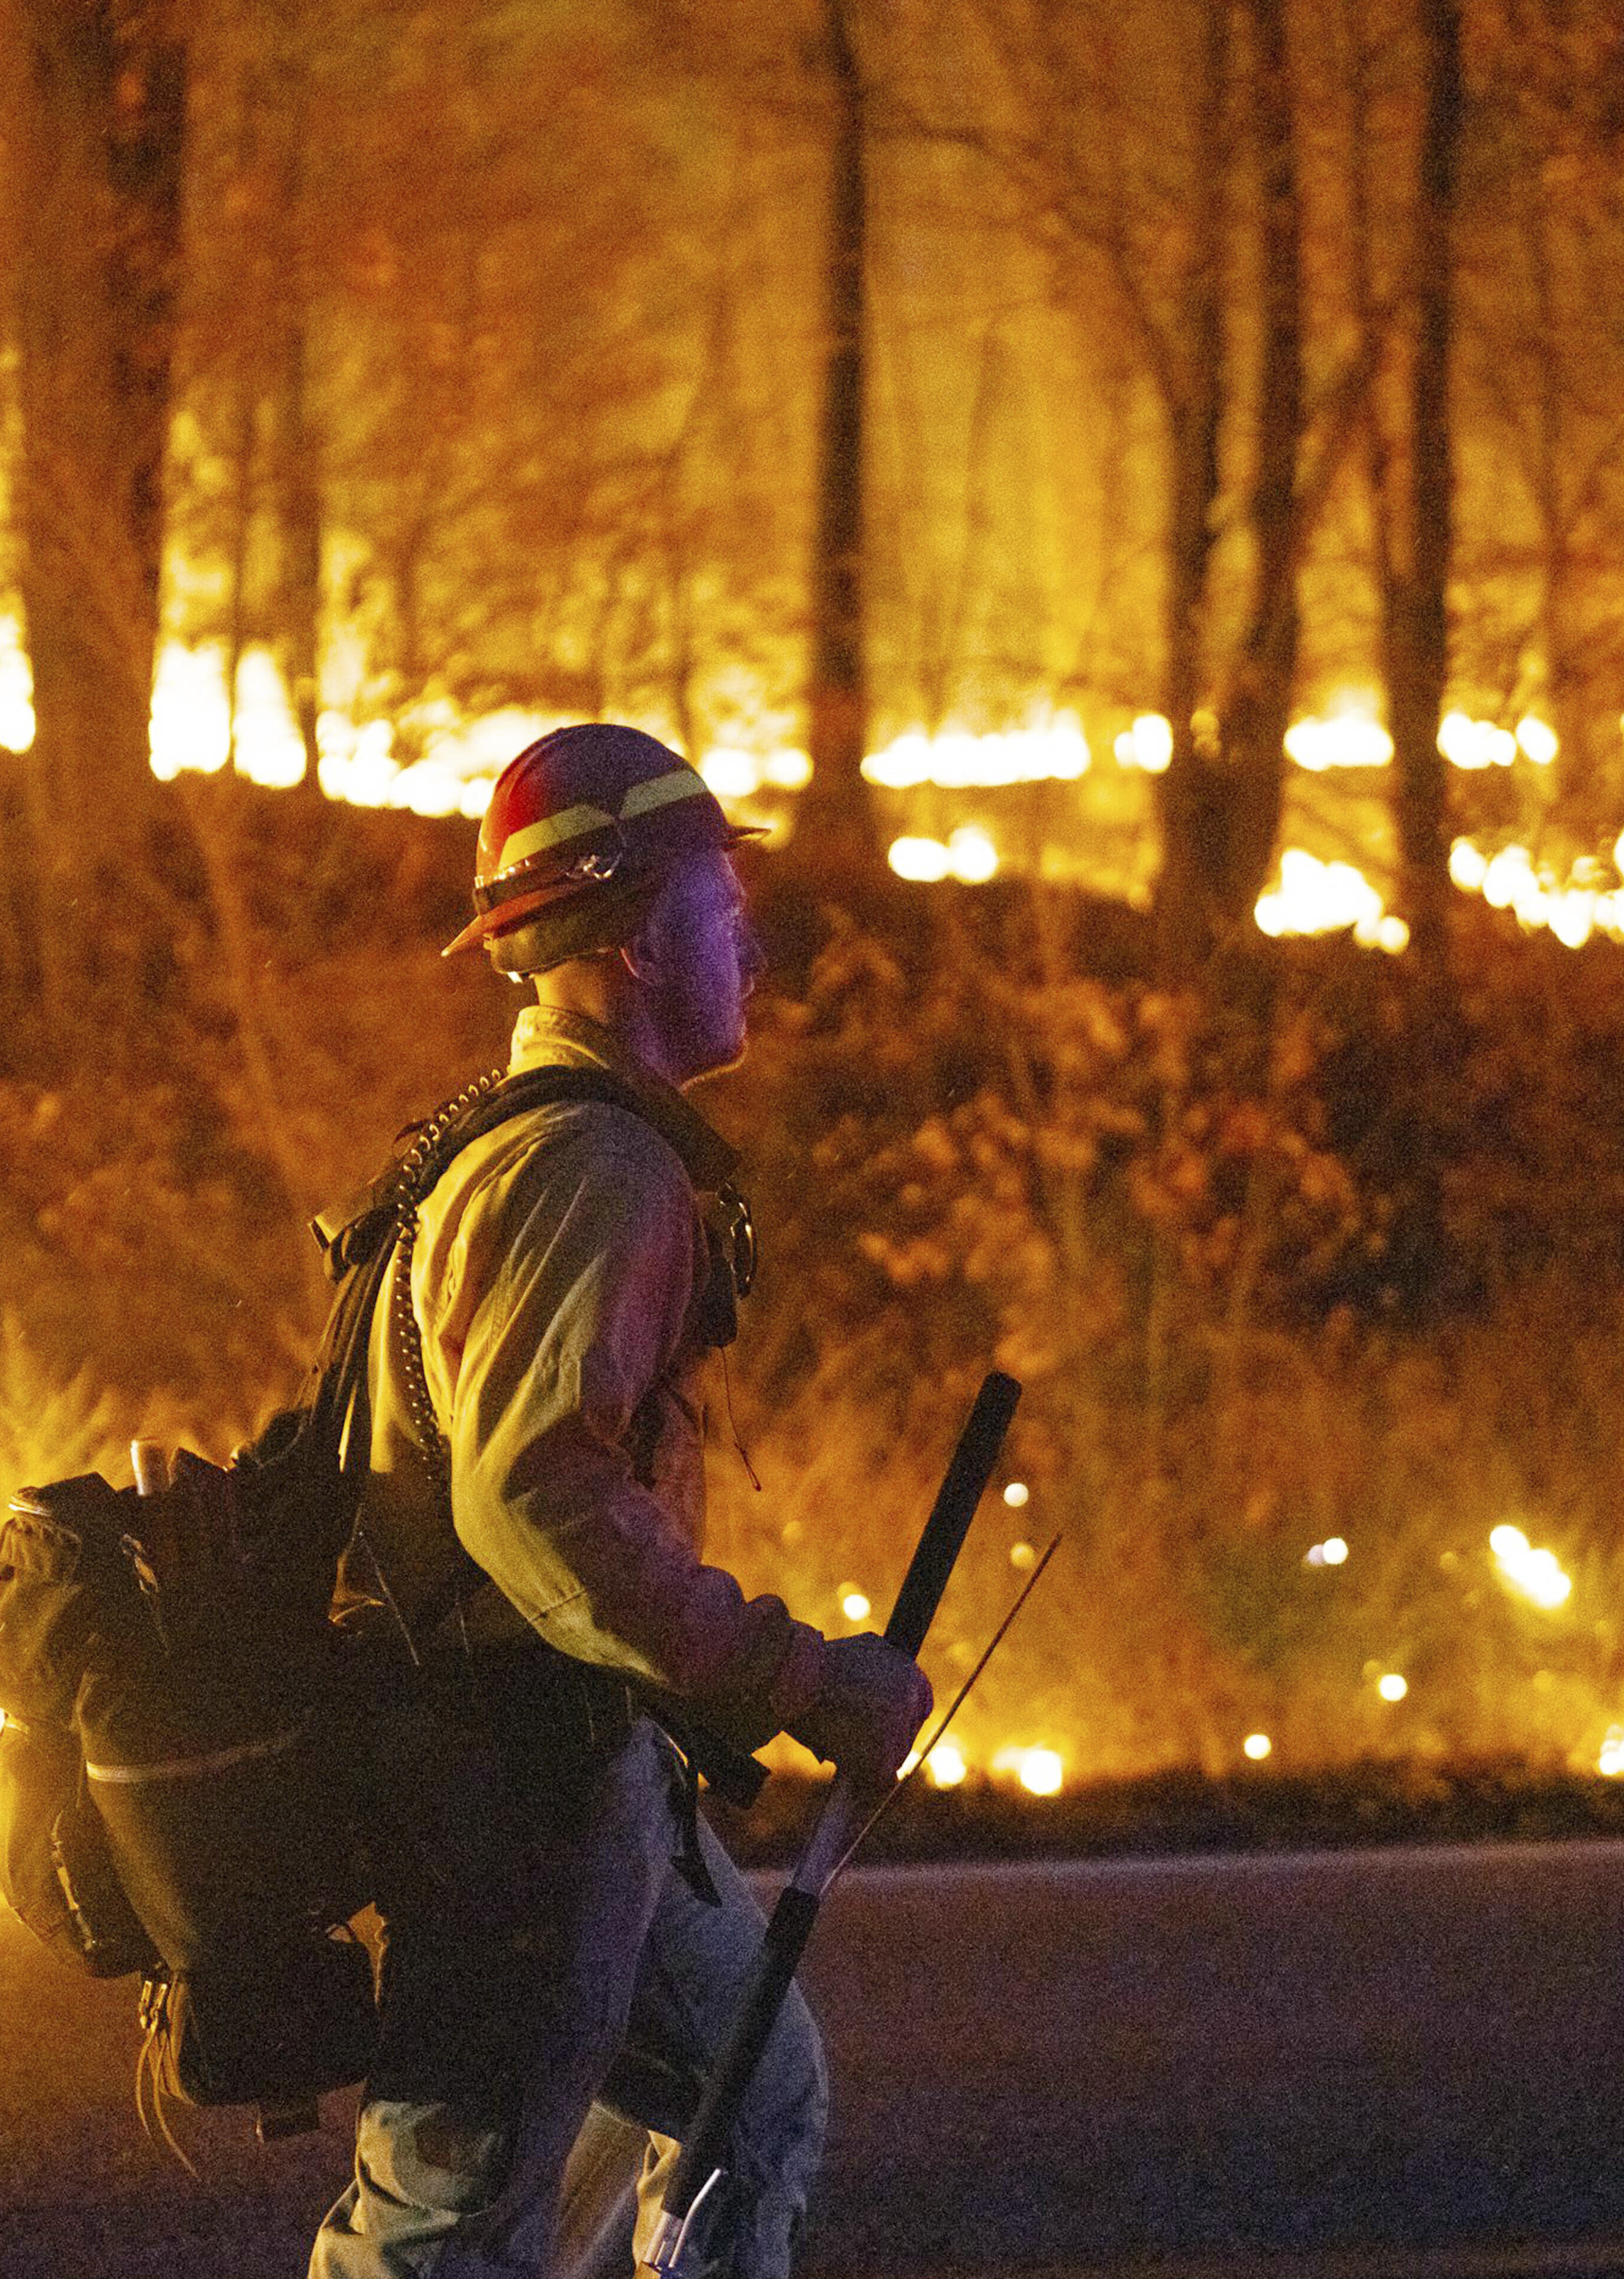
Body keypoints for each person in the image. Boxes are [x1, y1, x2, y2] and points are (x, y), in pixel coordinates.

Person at [312, 722, 933, 2279]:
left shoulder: (519, 1144)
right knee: (447, 2226)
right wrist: (796, 1679)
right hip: (518, 1790)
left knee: (750, 2098)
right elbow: (536, 1499)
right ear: (648, 932)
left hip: (584, 1769)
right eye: (725, 904)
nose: (750, 942)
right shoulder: (595, 1171)